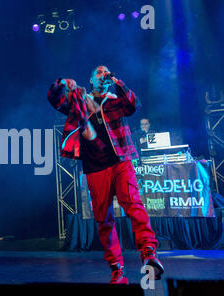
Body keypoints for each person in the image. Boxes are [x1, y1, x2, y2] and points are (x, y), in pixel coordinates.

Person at [47, 66, 164, 284]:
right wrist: (62, 83)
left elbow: (134, 105)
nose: (103, 75)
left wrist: (118, 82)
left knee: (134, 205)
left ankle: (149, 253)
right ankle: (117, 269)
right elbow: (54, 100)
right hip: (95, 167)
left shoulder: (115, 98)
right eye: (99, 72)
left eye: (106, 72)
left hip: (121, 161)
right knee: (104, 219)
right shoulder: (79, 100)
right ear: (91, 79)